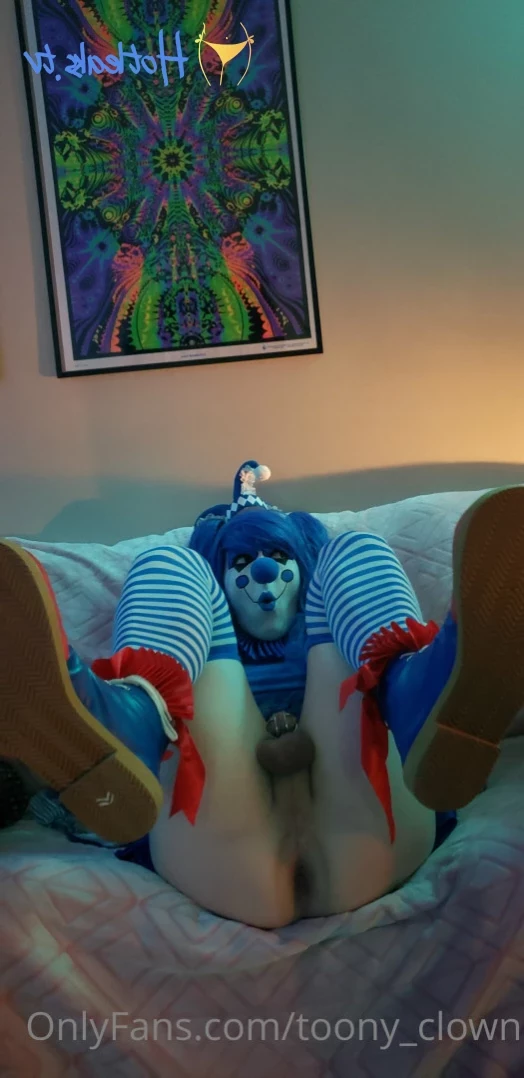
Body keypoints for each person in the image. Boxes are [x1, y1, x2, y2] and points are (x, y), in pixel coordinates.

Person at [1, 464, 524, 928]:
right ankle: (132, 722)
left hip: (234, 867)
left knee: (352, 549)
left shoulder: (324, 621)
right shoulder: (210, 629)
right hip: (369, 849)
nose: (263, 570)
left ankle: (413, 698)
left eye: (278, 555)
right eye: (242, 560)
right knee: (173, 564)